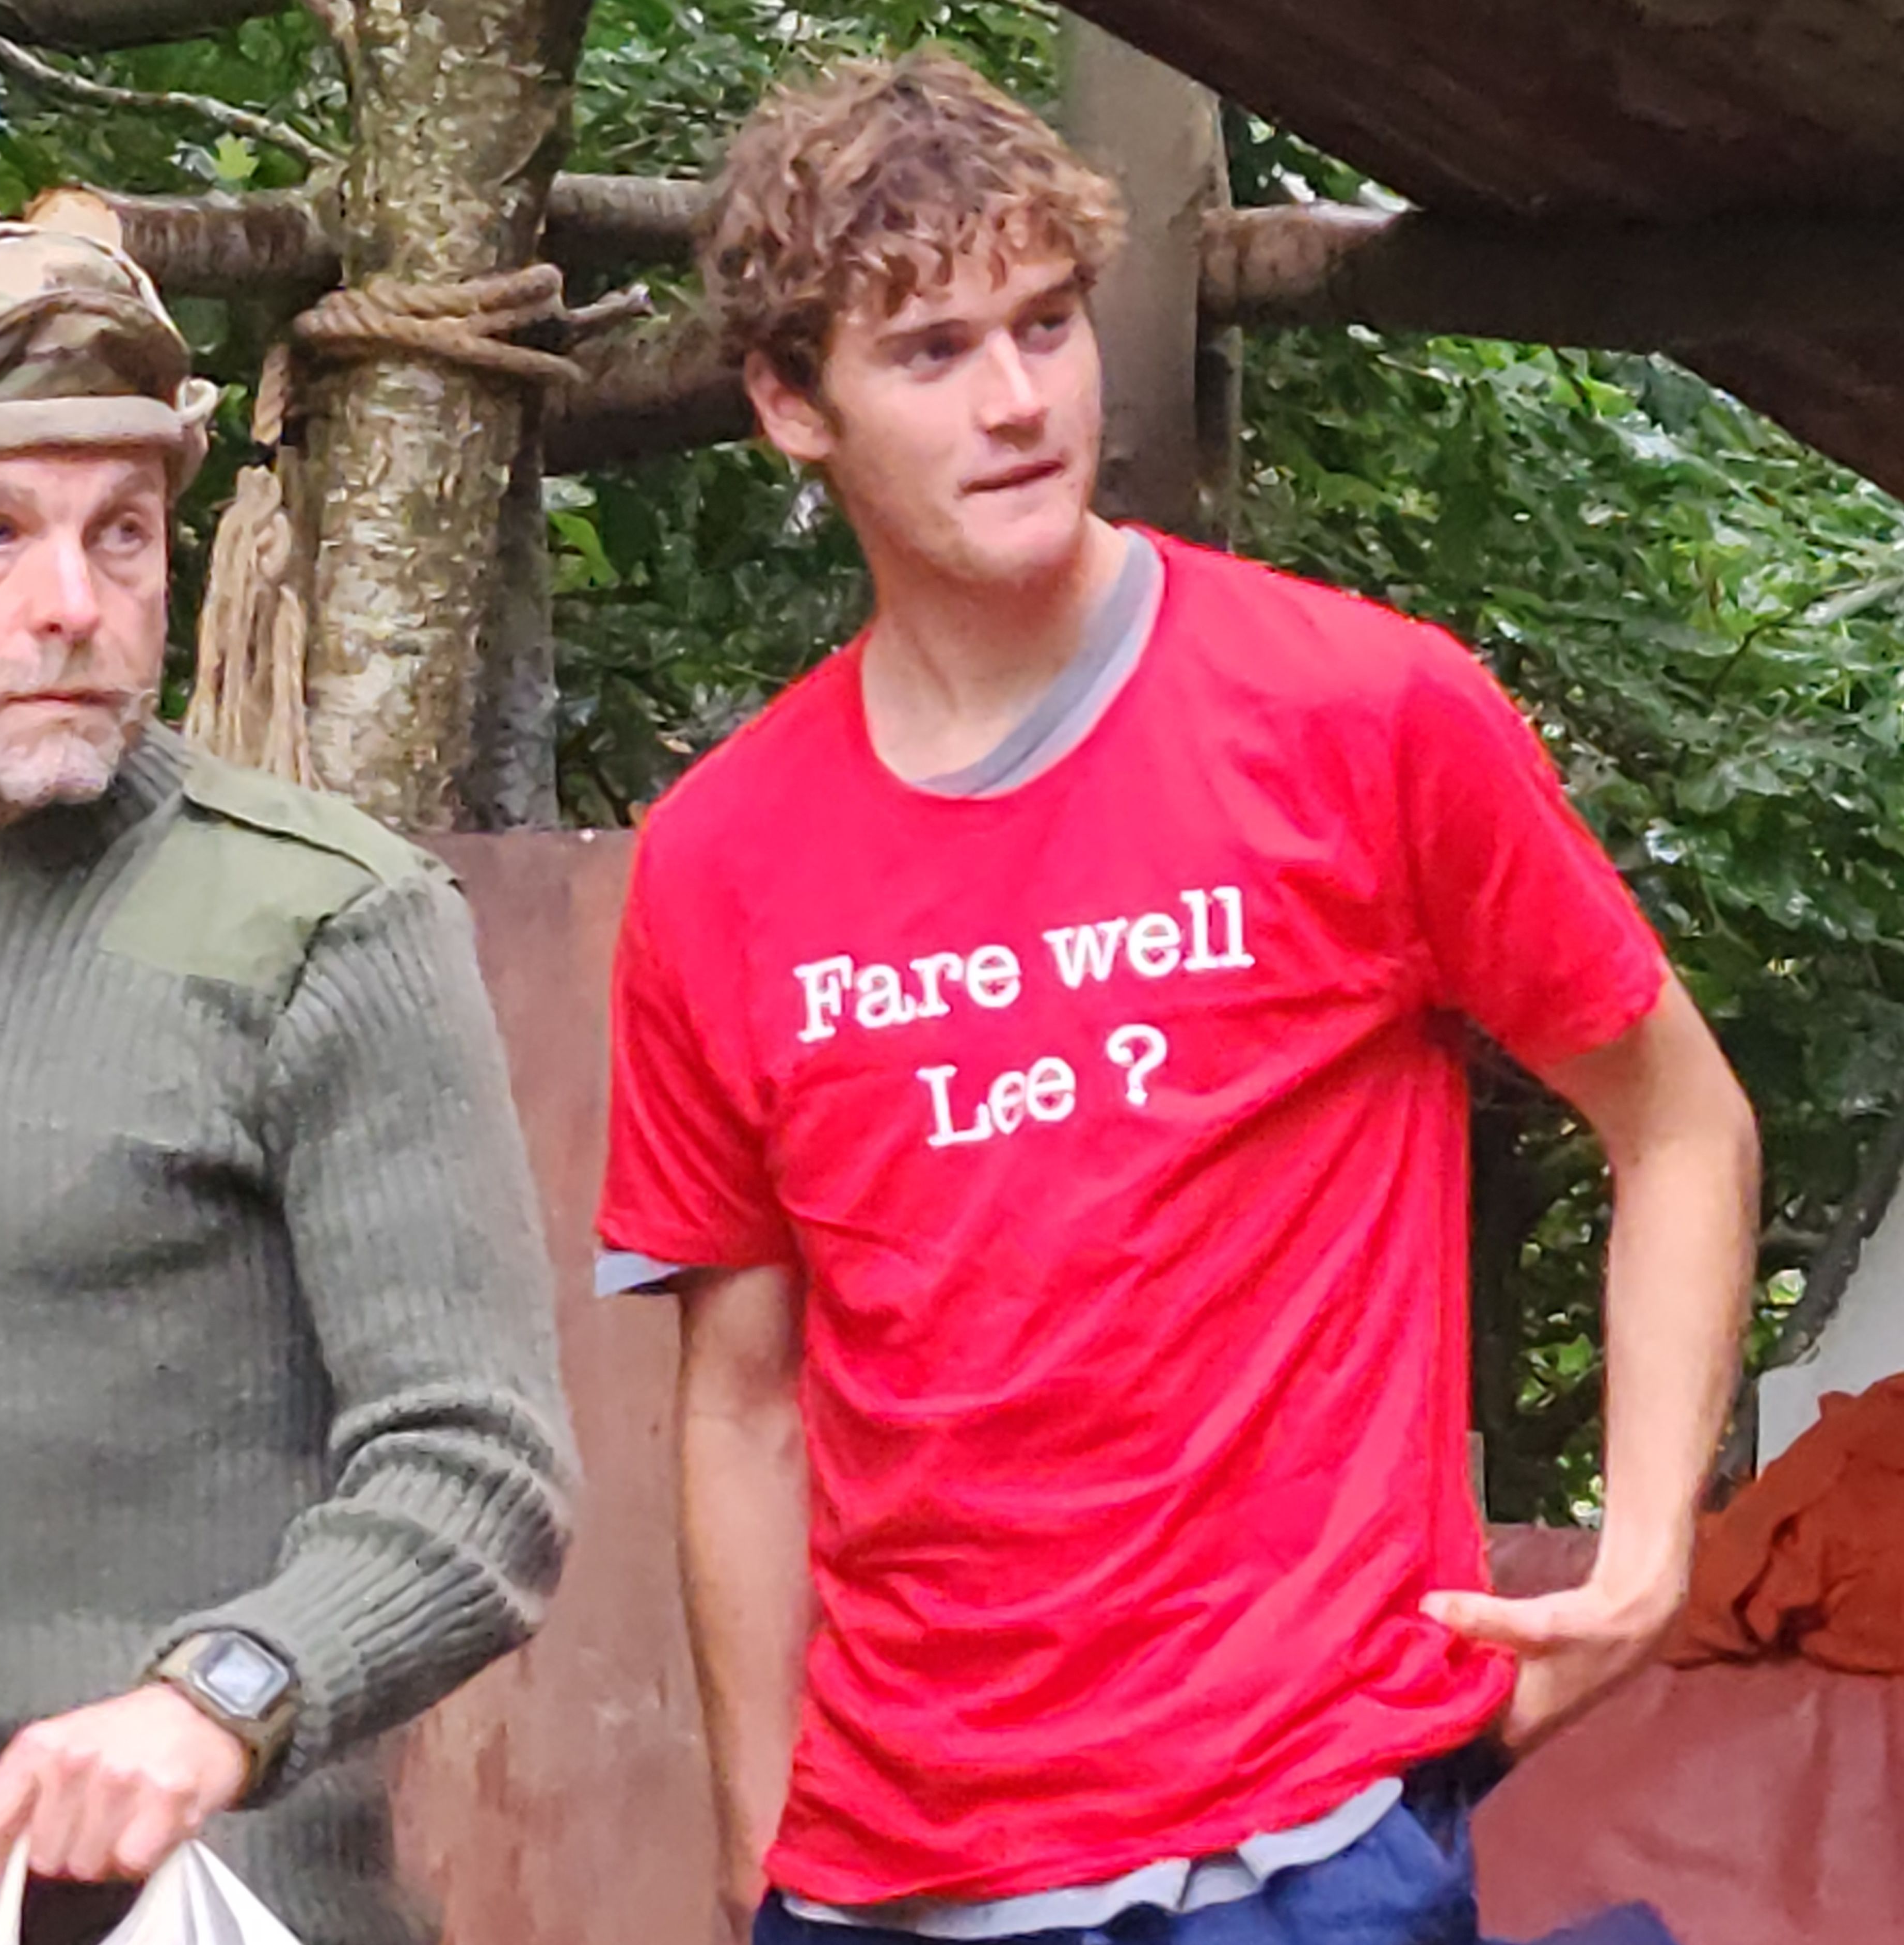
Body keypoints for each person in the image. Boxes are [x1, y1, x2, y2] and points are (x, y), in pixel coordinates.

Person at [596, 50, 1759, 1945]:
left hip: (1302, 1848)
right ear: (789, 404)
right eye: (933, 351)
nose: (1018, 400)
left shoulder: (1360, 712)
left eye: (1050, 324)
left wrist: (1644, 1561)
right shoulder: (720, 860)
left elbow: (1679, 1120)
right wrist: (761, 1850)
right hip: (893, 1879)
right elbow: (741, 1400)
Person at [0, 216, 573, 1945]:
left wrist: (221, 1696)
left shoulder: (321, 923)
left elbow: (480, 1472)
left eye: (122, 534)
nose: (69, 604)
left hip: (193, 1911)